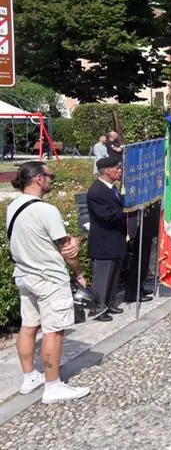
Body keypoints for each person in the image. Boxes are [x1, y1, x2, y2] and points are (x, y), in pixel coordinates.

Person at [8, 161, 90, 403]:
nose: (51, 179)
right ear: (38, 179)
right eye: (49, 175)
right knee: (54, 331)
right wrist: (78, 272)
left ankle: (29, 377)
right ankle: (53, 386)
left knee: (29, 326)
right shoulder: (47, 210)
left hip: (24, 274)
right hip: (49, 277)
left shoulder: (13, 206)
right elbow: (67, 251)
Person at [86, 156, 127, 322]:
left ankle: (109, 303)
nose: (120, 171)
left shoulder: (111, 188)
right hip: (104, 240)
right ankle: (97, 308)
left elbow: (118, 204)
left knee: (114, 274)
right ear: (108, 171)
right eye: (117, 169)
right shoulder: (97, 191)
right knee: (102, 277)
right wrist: (127, 211)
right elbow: (107, 215)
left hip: (115, 238)